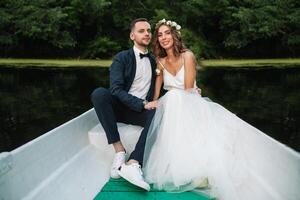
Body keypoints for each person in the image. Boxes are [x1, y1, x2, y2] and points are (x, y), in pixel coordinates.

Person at [142, 19, 300, 199]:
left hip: (189, 102)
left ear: (175, 35)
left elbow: (187, 90)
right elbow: (157, 89)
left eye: (167, 33)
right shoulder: (160, 61)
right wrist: (153, 102)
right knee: (171, 98)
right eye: (160, 35)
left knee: (176, 97)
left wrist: (183, 95)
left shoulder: (188, 56)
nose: (163, 38)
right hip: (172, 107)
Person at [91, 18, 157, 191]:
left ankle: (134, 162)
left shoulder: (155, 61)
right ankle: (119, 150)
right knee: (99, 94)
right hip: (121, 108)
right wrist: (142, 103)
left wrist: (192, 89)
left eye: (149, 30)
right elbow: (115, 90)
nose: (147, 33)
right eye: (141, 31)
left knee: (157, 113)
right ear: (132, 35)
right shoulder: (122, 58)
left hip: (140, 112)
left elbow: (169, 83)